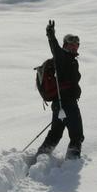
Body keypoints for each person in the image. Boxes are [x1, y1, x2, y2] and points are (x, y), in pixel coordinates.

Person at [35, 19, 84, 161]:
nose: (75, 47)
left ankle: (40, 158)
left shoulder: (71, 60)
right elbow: (55, 49)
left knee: (55, 134)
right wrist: (51, 35)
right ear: (65, 45)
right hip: (68, 104)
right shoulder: (63, 57)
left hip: (59, 106)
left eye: (77, 44)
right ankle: (72, 163)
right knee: (77, 136)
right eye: (71, 44)